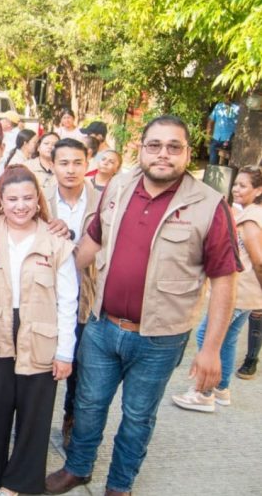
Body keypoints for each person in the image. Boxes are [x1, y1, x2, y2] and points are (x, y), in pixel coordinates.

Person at [45, 115, 240, 496]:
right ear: (141, 149)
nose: (163, 154)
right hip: (102, 326)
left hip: (159, 339)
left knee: (137, 416)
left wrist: (211, 349)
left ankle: (120, 486)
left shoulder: (210, 205)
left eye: (174, 147)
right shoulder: (118, 186)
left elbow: (224, 280)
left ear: (187, 153)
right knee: (87, 404)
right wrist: (48, 280)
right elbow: (92, 243)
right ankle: (79, 467)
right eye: (154, 145)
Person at [0, 164, 77, 496]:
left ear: (38, 201)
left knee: (35, 413)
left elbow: (68, 299)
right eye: (12, 198)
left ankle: (18, 483)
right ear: (1, 201)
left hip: (41, 333)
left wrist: (65, 352)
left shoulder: (55, 240)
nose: (20, 205)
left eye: (28, 198)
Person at [173, 166, 262, 411]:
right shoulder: (248, 213)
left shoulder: (252, 220)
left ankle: (204, 392)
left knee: (208, 337)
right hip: (248, 295)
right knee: (230, 340)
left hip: (240, 293)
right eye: (236, 184)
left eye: (243, 186)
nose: (236, 189)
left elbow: (258, 260)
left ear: (258, 191)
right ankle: (221, 388)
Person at [43, 138, 100, 448]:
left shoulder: (104, 201)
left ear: (87, 164)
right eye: (63, 163)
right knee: (42, 364)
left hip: (90, 296)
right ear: (52, 165)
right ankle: (31, 420)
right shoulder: (40, 198)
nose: (71, 169)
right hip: (47, 297)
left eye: (77, 162)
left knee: (81, 369)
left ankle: (71, 419)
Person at [206, 95, 240, 166]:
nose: (228, 98)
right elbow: (211, 121)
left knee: (225, 165)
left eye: (230, 96)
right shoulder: (218, 107)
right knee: (212, 163)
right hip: (216, 138)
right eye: (226, 96)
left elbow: (239, 125)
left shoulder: (237, 109)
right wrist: (208, 136)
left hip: (228, 140)